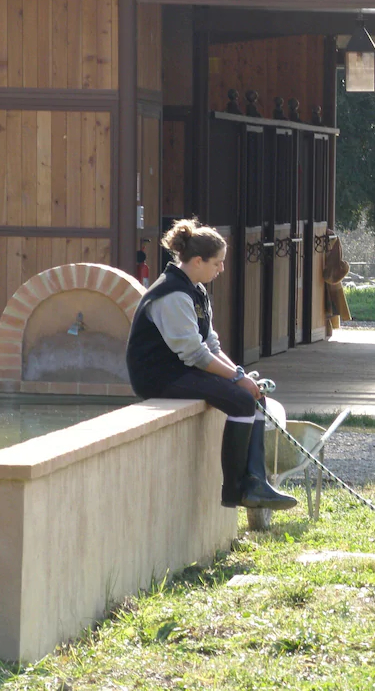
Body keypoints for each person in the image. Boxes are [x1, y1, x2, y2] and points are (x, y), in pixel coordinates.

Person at [126, 217, 297, 510]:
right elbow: (195, 354)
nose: (221, 269)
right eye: (217, 263)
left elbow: (211, 345)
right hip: (158, 377)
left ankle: (256, 482)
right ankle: (235, 490)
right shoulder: (173, 294)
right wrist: (237, 378)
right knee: (241, 400)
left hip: (181, 370)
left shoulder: (195, 289)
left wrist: (241, 377)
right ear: (196, 261)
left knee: (253, 397)